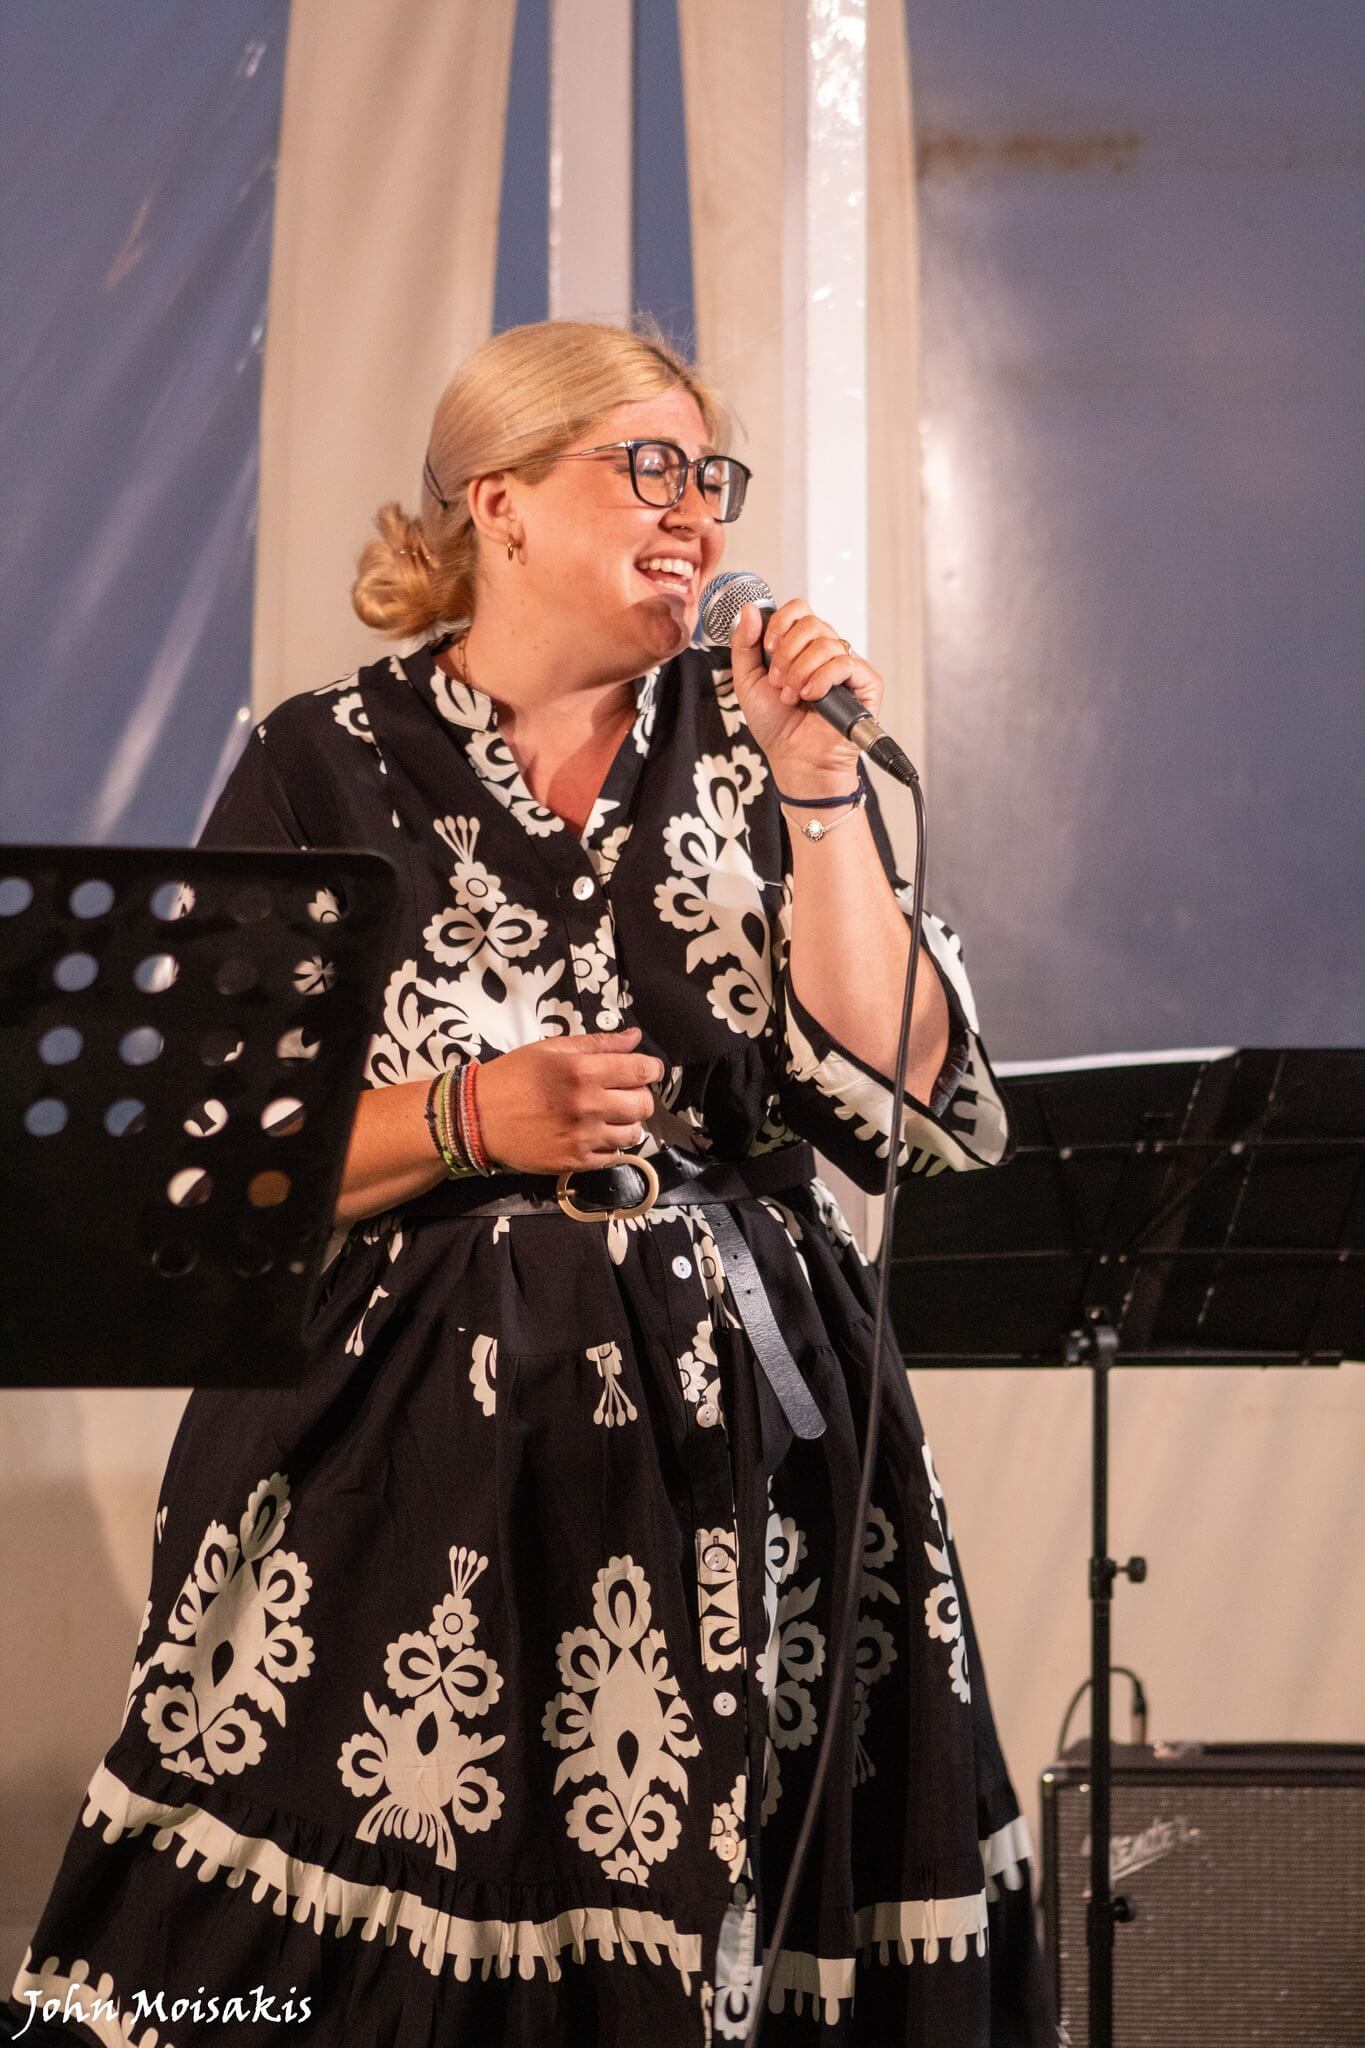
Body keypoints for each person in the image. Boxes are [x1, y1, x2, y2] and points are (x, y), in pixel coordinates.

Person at [10, 320, 1053, 2046]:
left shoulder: (757, 744)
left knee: (745, 1892)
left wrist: (816, 795)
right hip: (391, 1450)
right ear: (494, 498)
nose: (695, 511)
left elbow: (896, 1090)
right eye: (647, 468)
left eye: (710, 479)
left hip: (746, 1457)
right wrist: (466, 1117)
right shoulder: (319, 760)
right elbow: (204, 1168)